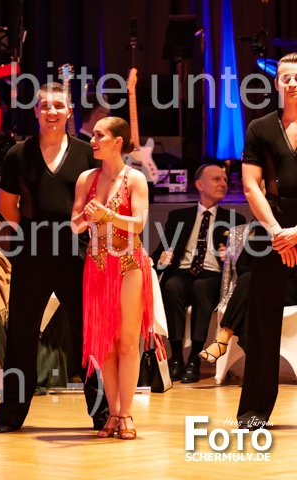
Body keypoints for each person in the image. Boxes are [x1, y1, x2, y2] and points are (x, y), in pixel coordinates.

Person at [0, 82, 109, 434]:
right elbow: (6, 206)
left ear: (69, 110)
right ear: (36, 111)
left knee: (86, 333)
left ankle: (102, 413)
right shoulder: (18, 154)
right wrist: (33, 232)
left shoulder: (87, 152)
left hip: (77, 253)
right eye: (45, 106)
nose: (52, 111)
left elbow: (103, 198)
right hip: (31, 253)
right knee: (22, 335)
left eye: (58, 105)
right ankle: (11, 414)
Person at [71, 117, 153, 439]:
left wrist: (107, 214)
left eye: (99, 135)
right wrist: (85, 216)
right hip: (97, 265)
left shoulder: (135, 179)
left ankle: (126, 413)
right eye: (93, 135)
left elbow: (139, 224)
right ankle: (113, 412)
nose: (92, 141)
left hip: (129, 264)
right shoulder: (86, 178)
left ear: (118, 142)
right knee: (104, 344)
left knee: (128, 341)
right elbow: (75, 225)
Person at [237, 52, 297, 429]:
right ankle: (254, 412)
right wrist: (277, 232)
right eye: (286, 77)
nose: (293, 83)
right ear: (276, 83)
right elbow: (250, 186)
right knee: (263, 323)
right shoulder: (260, 127)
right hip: (272, 228)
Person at [150, 164, 245, 383]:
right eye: (216, 179)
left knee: (201, 287)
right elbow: (159, 254)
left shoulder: (234, 219)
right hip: (183, 272)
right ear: (200, 185)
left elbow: (241, 263)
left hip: (212, 274)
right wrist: (162, 259)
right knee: (173, 286)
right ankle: (176, 358)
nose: (223, 184)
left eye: (225, 180)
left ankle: (194, 358)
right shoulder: (178, 216)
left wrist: (231, 258)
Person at [199, 223, 297, 364]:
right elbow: (241, 267)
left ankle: (224, 340)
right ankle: (249, 352)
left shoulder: (292, 233)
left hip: (289, 287)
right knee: (247, 281)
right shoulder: (258, 233)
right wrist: (263, 275)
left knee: (250, 290)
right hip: (261, 287)